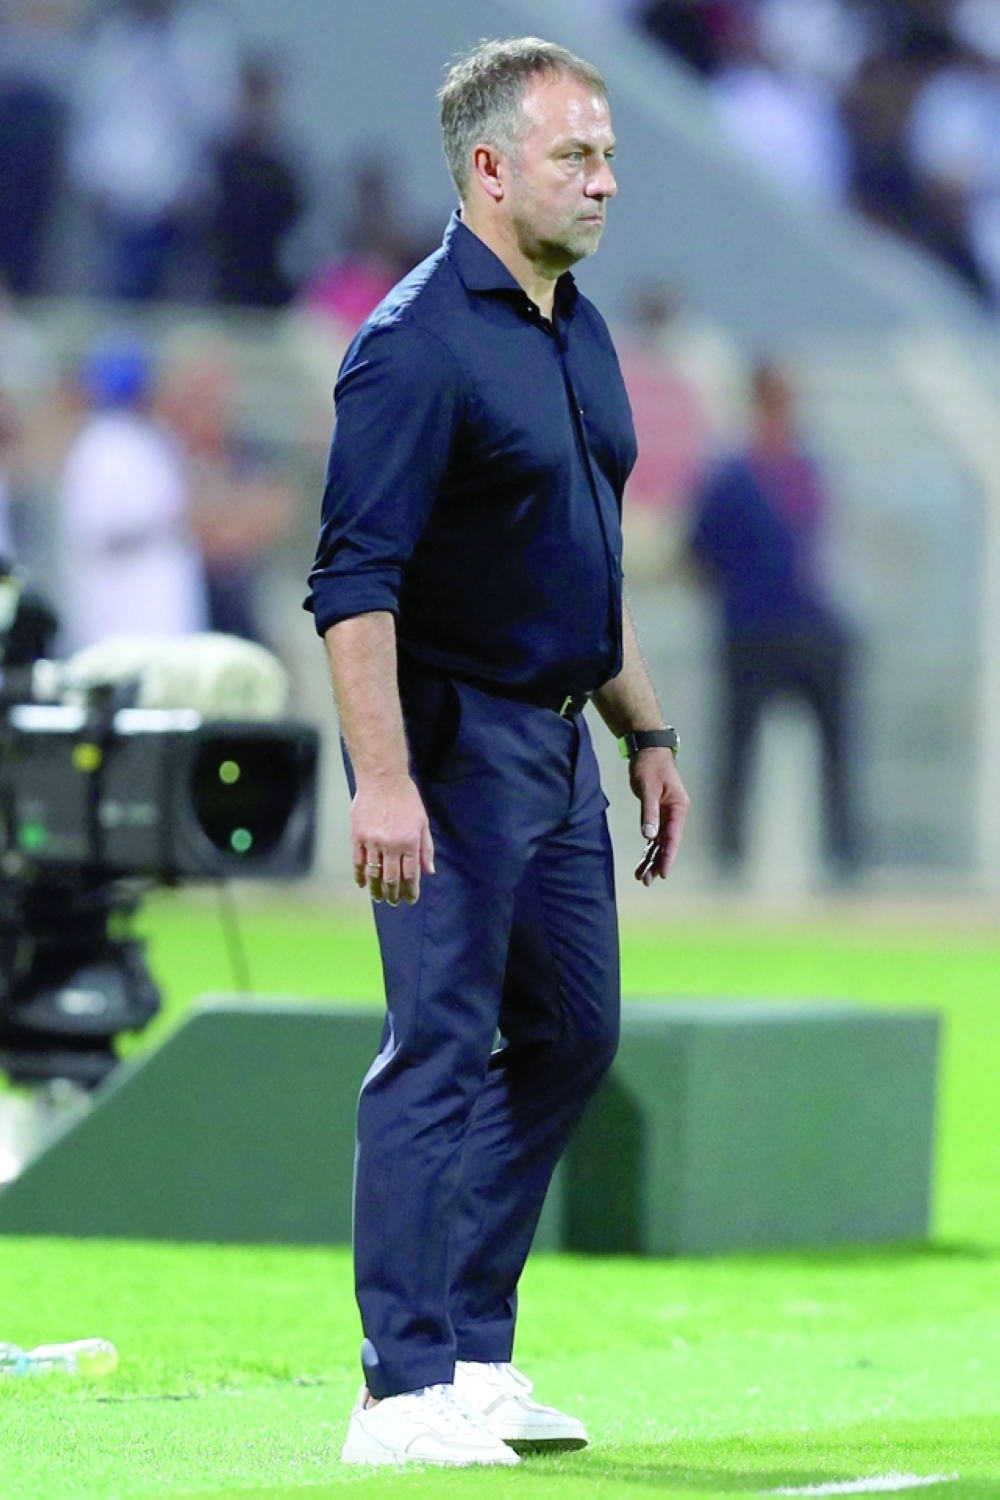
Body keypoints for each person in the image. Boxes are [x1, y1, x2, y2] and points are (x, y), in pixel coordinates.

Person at [306, 36, 690, 1469]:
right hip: (450, 750)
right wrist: (385, 779)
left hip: (559, 746)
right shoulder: (413, 342)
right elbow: (354, 583)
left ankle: (471, 1354)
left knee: (576, 1038)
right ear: (487, 168)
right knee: (437, 1051)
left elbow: (583, 560)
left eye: (606, 157)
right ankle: (396, 1389)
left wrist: (643, 723)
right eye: (573, 157)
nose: (602, 181)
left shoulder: (574, 324)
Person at [689, 361, 858, 878]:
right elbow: (702, 551)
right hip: (753, 629)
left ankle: (843, 853)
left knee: (836, 748)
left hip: (811, 627)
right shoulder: (732, 475)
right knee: (737, 746)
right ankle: (729, 855)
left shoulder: (809, 470)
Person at [57, 334, 206, 653]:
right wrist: (165, 520)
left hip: (161, 610)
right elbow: (99, 529)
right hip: (120, 615)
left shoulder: (152, 438)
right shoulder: (99, 445)